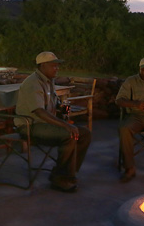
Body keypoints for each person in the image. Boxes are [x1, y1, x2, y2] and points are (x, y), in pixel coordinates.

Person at [15, 51, 92, 192]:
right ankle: (59, 178)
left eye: (57, 66)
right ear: (43, 66)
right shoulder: (33, 83)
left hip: (45, 124)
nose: (57, 69)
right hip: (30, 125)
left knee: (84, 133)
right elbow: (39, 111)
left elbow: (55, 103)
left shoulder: (49, 81)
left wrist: (63, 110)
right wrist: (65, 125)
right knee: (68, 135)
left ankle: (68, 174)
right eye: (53, 66)